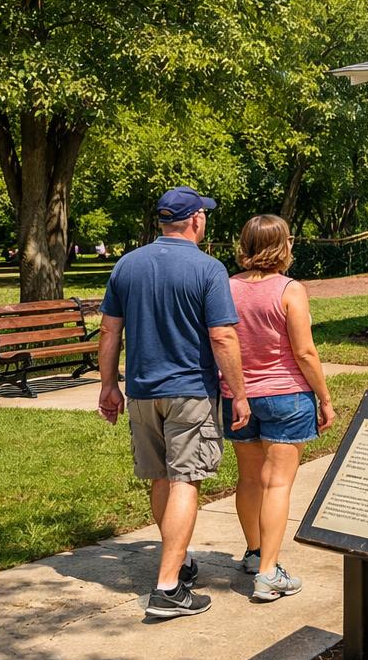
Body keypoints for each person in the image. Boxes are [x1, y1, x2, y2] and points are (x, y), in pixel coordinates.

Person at [97, 187, 249, 619]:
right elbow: (222, 336)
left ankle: (178, 562)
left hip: (143, 392)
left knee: (161, 479)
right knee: (186, 479)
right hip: (190, 391)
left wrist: (109, 386)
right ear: (196, 219)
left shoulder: (128, 264)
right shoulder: (208, 269)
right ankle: (167, 588)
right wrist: (239, 393)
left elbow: (109, 332)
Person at [224, 214, 335, 602]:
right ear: (282, 245)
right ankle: (270, 573)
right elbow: (304, 351)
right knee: (277, 483)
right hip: (287, 395)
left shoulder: (226, 286)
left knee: (250, 479)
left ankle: (255, 554)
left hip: (237, 396)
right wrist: (324, 397)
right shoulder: (290, 289)